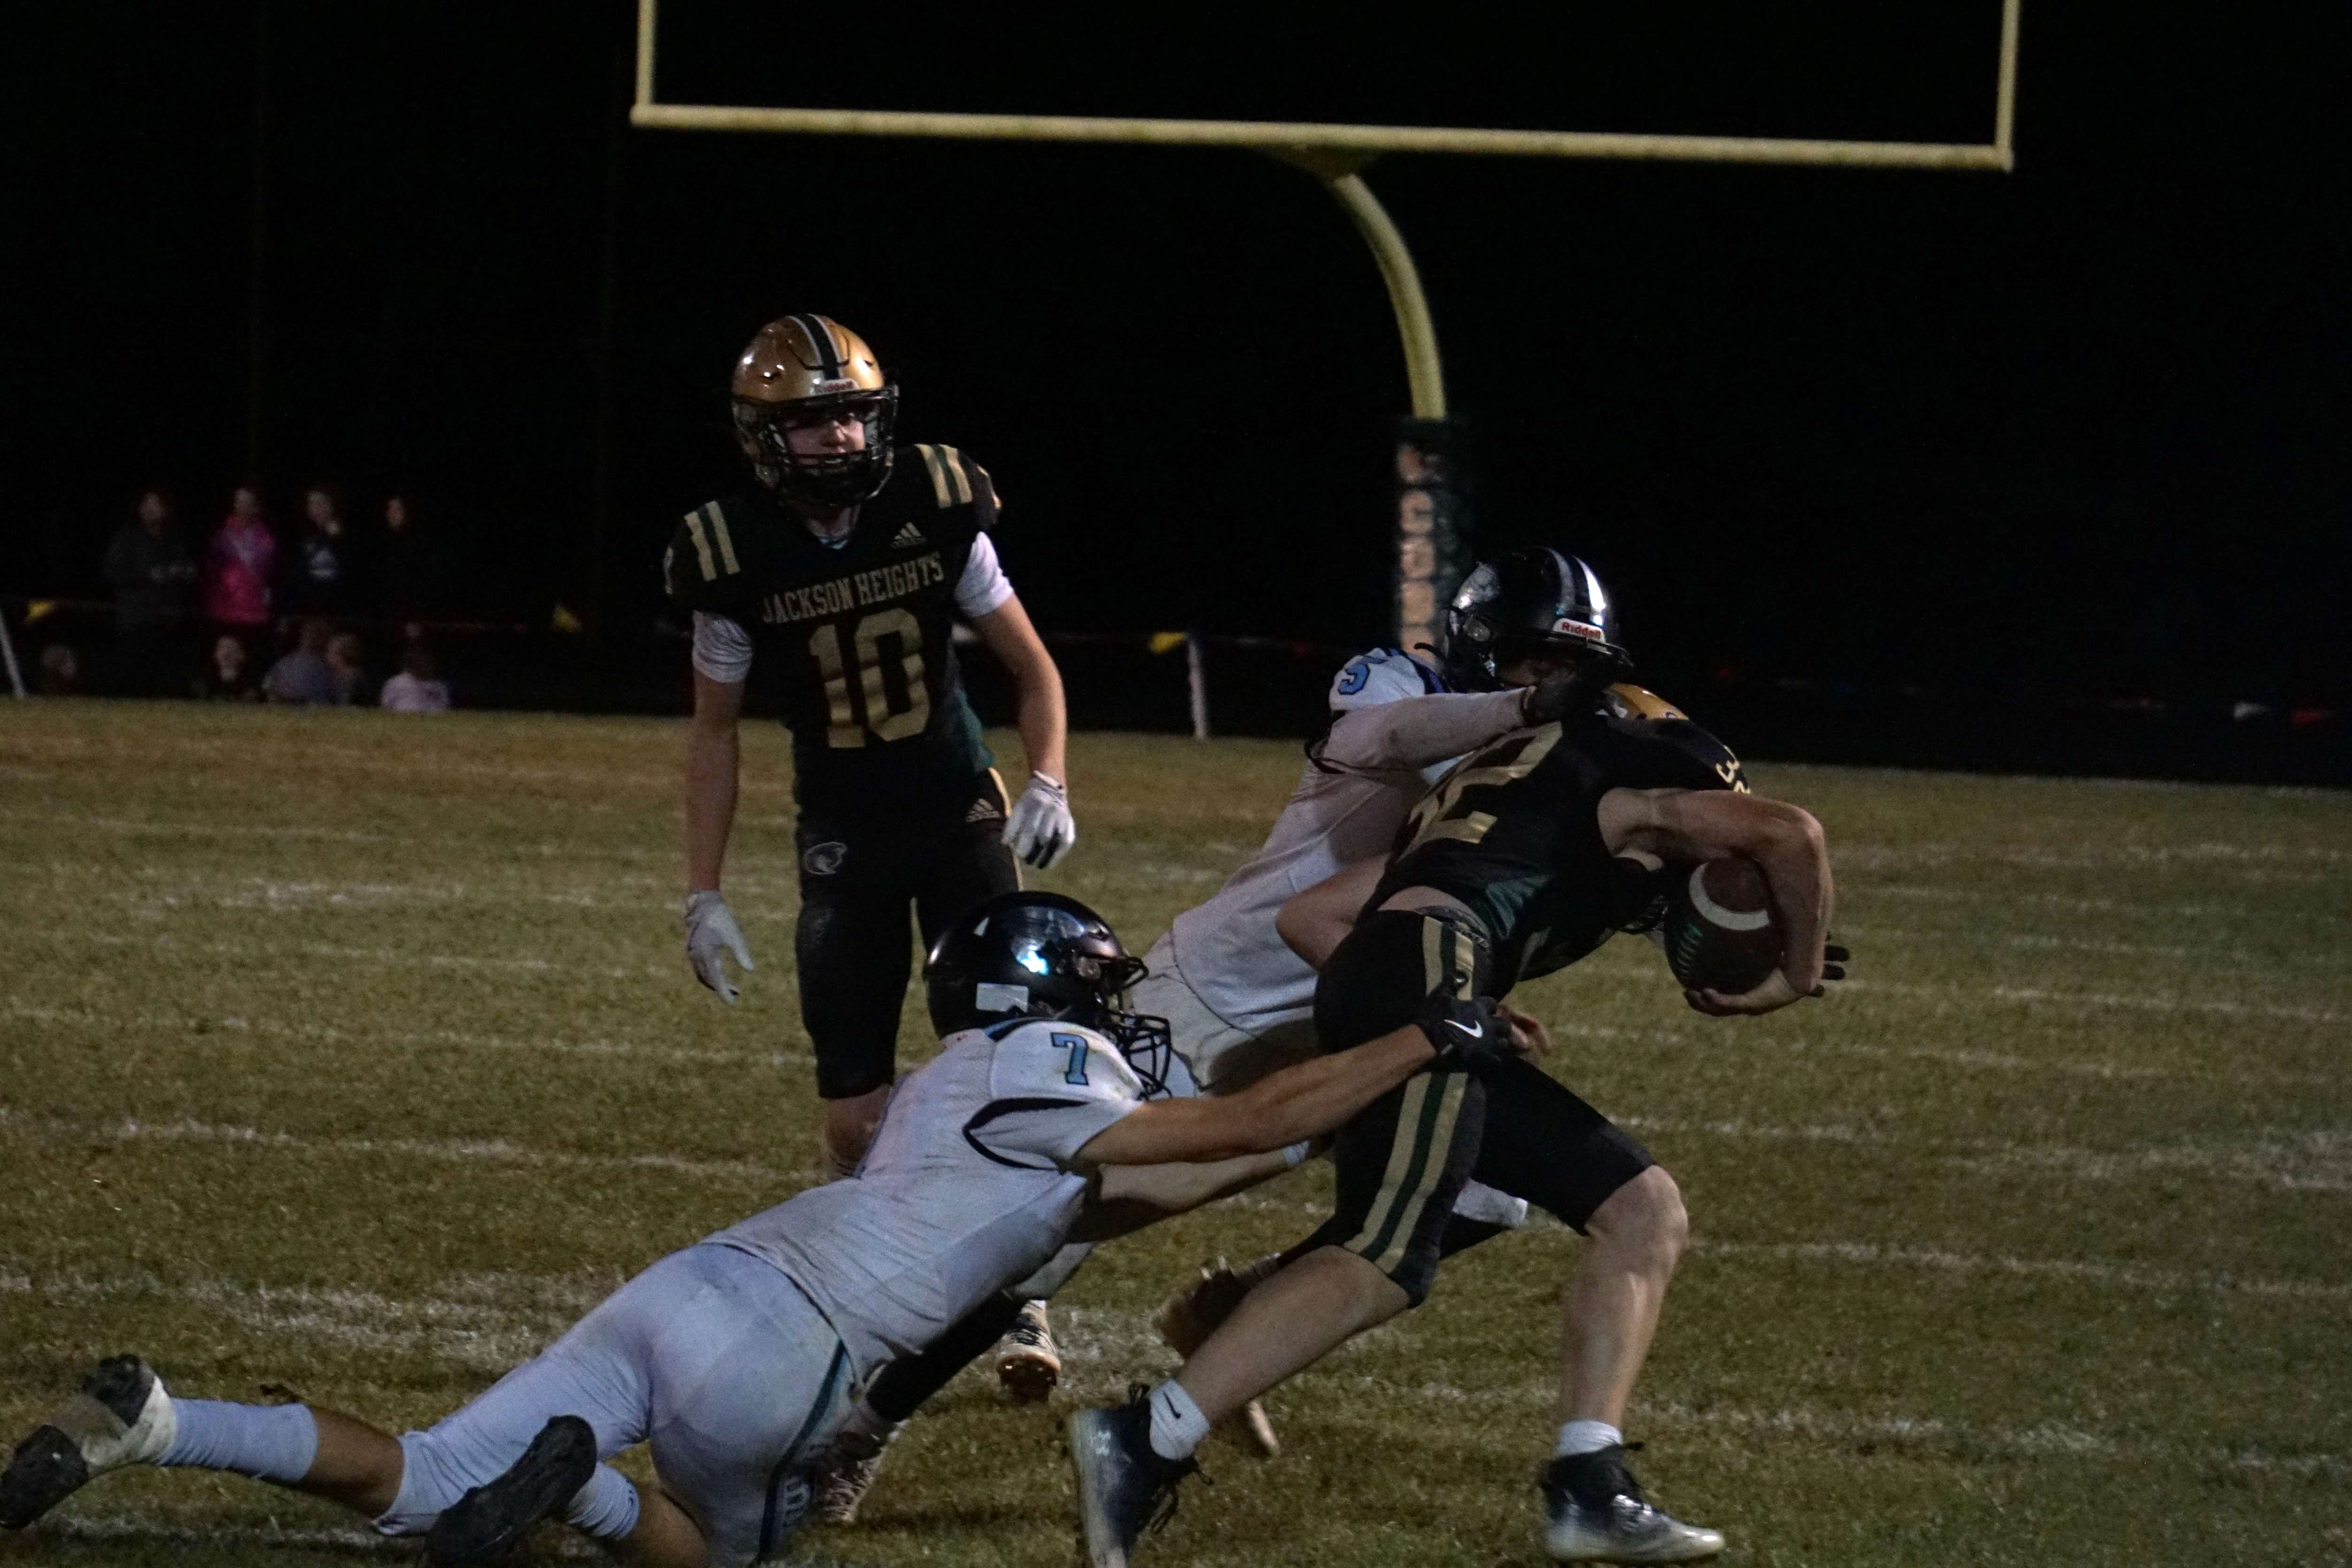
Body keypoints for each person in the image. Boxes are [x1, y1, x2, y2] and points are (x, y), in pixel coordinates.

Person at [0, 892, 1520, 1568]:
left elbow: (1178, 1175)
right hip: (794, 1353)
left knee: (429, 1480)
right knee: (714, 1562)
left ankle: (163, 1420)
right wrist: (1428, 1041)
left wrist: (1343, 1126)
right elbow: (1232, 1125)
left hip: (704, 1275)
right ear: (1052, 995)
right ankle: (587, 1506)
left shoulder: (962, 1094)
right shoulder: (1058, 1068)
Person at [809, 550, 1645, 1523]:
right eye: (1533, 660)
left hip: (1360, 1024)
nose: (1545, 683)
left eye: (1563, 668)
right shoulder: (1399, 682)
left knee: (1483, 1195)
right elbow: (1387, 735)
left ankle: (1225, 1309)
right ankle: (860, 1426)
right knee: (1049, 1225)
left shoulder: (1541, 763)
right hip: (1219, 1002)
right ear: (1486, 646)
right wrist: (1523, 713)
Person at [1068, 553, 1848, 1568]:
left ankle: (1589, 1479)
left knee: (1641, 1207)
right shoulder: (1634, 776)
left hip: (1412, 971)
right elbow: (1794, 833)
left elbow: (1319, 917)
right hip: (1424, 971)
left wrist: (1448, 991)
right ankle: (1144, 1438)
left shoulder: (1509, 790)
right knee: (1389, 1249)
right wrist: (1788, 973)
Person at [666, 314, 1077, 1398]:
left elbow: (1031, 667)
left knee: (1003, 1063)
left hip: (957, 813)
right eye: (814, 424)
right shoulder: (729, 551)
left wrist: (1048, 778)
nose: (843, 440)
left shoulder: (934, 502)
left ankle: (1019, 1296)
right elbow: (714, 732)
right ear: (764, 436)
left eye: (853, 415)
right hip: (844, 830)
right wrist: (699, 893)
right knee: (853, 1113)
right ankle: (857, 1278)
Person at [102, 490, 198, 696]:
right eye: (147, 504)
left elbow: (187, 570)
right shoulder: (127, 538)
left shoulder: (174, 540)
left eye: (156, 504)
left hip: (167, 620)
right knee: (133, 675)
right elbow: (113, 573)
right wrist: (148, 576)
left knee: (164, 676)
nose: (151, 509)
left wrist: (184, 572)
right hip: (135, 620)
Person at [202, 486, 275, 662]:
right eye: (238, 501)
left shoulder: (267, 537)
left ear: (257, 507)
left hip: (255, 611)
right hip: (224, 609)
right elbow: (210, 570)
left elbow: (270, 574)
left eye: (248, 501)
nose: (242, 506)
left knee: (251, 658)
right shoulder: (221, 534)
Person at [283, 485, 355, 619]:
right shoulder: (303, 535)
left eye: (320, 502)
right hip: (309, 608)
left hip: (337, 609)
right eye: (311, 503)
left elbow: (351, 571)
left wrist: (337, 540)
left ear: (330, 505)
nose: (315, 507)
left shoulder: (346, 534)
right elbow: (297, 572)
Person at [377, 494, 433, 618]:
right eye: (389, 509)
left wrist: (416, 617)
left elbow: (421, 584)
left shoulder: (418, 545)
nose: (392, 514)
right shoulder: (381, 544)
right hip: (385, 617)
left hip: (410, 617)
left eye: (398, 510)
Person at [262, 617, 340, 705]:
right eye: (312, 633)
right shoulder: (287, 662)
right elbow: (268, 687)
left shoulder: (330, 664)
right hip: (286, 707)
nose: (314, 637)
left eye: (319, 633)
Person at [381, 638, 452, 713]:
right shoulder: (396, 683)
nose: (423, 662)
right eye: (419, 658)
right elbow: (385, 709)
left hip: (432, 723)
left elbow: (446, 711)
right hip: (402, 722)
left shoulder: (440, 686)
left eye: (426, 658)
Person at [197, 633, 261, 702]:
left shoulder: (253, 684)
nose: (226, 653)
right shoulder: (203, 682)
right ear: (215, 654)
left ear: (242, 655)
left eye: (232, 649)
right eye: (222, 648)